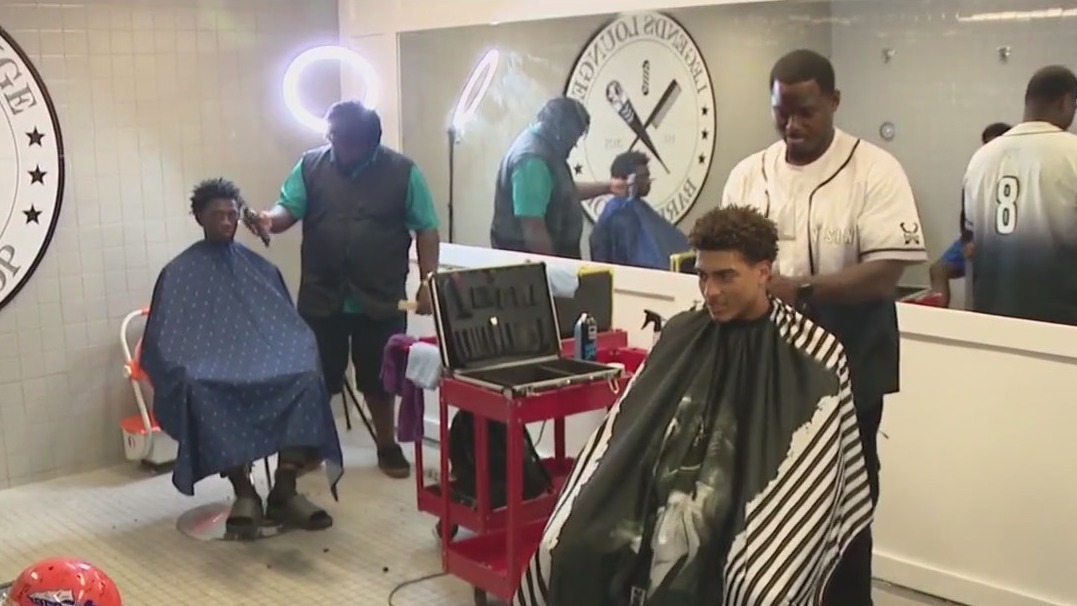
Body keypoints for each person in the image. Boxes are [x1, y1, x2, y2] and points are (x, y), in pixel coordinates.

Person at [515, 206, 872, 605]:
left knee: (755, 588)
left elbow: (815, 479)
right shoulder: (681, 332)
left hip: (747, 510)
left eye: (725, 276)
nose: (710, 291)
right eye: (702, 275)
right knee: (564, 547)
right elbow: (628, 435)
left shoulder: (813, 353)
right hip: (657, 495)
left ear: (763, 272)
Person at [720, 49, 927, 606]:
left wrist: (800, 289)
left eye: (806, 111)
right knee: (763, 500)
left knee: (844, 504)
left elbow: (885, 274)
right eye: (781, 112)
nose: (792, 125)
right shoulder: (748, 173)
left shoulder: (874, 170)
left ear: (834, 102)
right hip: (764, 365)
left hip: (850, 360)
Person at [143, 178, 343, 538]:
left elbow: (289, 326)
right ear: (199, 218)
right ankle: (244, 492)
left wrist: (300, 352)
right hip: (209, 368)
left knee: (305, 376)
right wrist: (187, 365)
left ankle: (284, 488)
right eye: (216, 215)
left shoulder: (260, 268)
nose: (225, 222)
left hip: (262, 358)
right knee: (200, 386)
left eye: (231, 215)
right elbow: (164, 341)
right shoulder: (178, 273)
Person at [256, 101, 440, 479]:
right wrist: (267, 221)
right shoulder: (311, 165)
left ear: (370, 143)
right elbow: (288, 209)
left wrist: (427, 282)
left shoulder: (403, 173)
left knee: (380, 377)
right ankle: (313, 447)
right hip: (322, 294)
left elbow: (427, 228)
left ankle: (386, 446)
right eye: (333, 139)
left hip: (380, 294)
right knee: (316, 376)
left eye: (346, 142)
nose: (337, 147)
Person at [962, 65, 1077, 324]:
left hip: (991, 317)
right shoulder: (1072, 153)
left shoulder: (981, 158)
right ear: (1066, 101)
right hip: (1060, 323)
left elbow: (972, 236)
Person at [490, 96, 625, 258]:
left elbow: (561, 191)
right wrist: (555, 270)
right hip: (534, 269)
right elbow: (533, 229)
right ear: (561, 130)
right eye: (574, 136)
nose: (574, 144)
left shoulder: (546, 149)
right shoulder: (532, 160)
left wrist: (608, 187)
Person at [930, 121, 1011, 307]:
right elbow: (965, 214)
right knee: (938, 269)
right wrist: (968, 242)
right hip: (975, 236)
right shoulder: (977, 171)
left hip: (1005, 241)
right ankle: (938, 319)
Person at [589, 150, 691, 268]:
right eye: (643, 177)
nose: (648, 181)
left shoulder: (637, 208)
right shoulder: (619, 213)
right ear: (628, 180)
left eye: (648, 176)